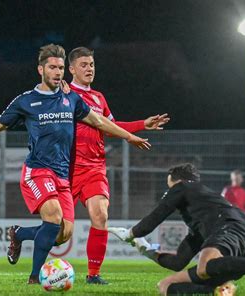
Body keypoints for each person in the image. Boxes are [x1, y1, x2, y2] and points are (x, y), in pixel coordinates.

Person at [0, 44, 151, 284]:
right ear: (40, 69)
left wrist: (130, 135)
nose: (57, 72)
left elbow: (99, 122)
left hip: (63, 175)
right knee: (52, 216)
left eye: (60, 68)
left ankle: (19, 234)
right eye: (52, 67)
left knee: (62, 235)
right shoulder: (26, 101)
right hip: (38, 171)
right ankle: (35, 278)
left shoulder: (71, 99)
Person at [109, 163, 245, 295]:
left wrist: (131, 234)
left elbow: (156, 216)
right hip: (240, 233)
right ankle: (220, 290)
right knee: (167, 287)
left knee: (203, 267)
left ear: (178, 181)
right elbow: (178, 262)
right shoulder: (201, 216)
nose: (169, 191)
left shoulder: (183, 186)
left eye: (170, 186)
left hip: (229, 225)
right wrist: (147, 252)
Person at [66, 47, 170, 284]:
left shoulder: (98, 98)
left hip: (94, 168)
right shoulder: (65, 93)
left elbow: (110, 126)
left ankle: (93, 275)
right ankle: (23, 238)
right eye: (83, 64)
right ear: (71, 69)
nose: (89, 68)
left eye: (91, 64)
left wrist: (143, 124)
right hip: (68, 167)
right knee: (60, 231)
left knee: (100, 216)